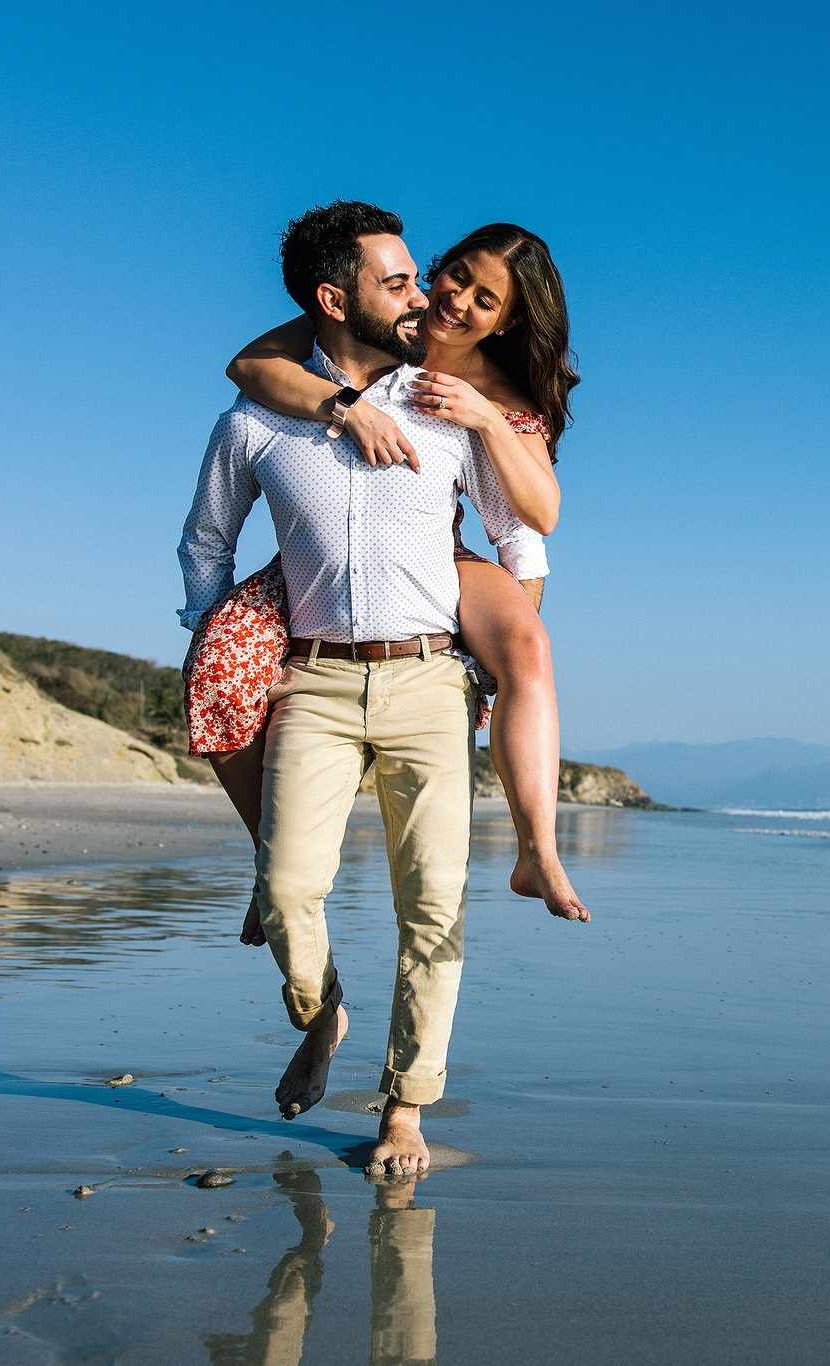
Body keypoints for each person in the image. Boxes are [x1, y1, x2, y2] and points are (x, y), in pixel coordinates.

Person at [178, 200, 547, 1173]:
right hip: (314, 686)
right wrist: (218, 625)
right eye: (399, 281)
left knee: (432, 908)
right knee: (286, 889)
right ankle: (323, 1011)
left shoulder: (445, 401)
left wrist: (505, 635)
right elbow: (205, 541)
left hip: (428, 683)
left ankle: (404, 1110)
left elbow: (522, 528)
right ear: (331, 300)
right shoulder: (258, 417)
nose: (423, 295)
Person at [187, 221, 589, 927]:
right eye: (454, 274)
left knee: (528, 648)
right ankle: (271, 858)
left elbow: (532, 527)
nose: (455, 300)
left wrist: (488, 421)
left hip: (439, 551)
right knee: (214, 663)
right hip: (321, 551)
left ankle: (538, 852)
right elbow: (249, 366)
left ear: (508, 320)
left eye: (484, 299)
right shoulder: (388, 317)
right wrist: (343, 406)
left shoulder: (493, 387)